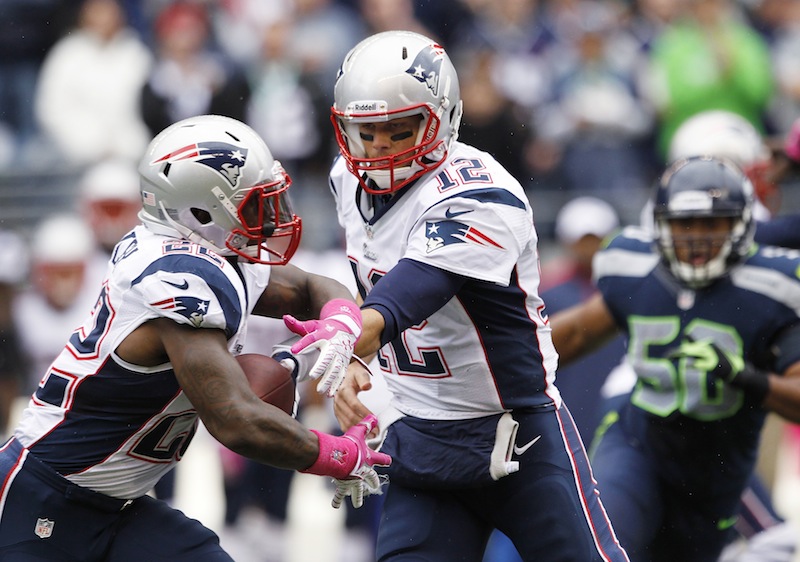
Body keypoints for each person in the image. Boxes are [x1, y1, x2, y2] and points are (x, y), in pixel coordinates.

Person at [0, 114, 391, 560]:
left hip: (118, 505)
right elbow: (236, 419)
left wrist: (340, 322)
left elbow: (308, 288)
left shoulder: (206, 249)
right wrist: (337, 455)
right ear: (201, 211)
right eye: (253, 203)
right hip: (44, 497)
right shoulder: (179, 277)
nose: (271, 217)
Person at [327, 30, 629, 561]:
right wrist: (346, 342)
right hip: (421, 438)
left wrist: (355, 334)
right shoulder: (346, 182)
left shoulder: (480, 193)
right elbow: (369, 287)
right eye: (365, 132)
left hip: (517, 436)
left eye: (398, 130)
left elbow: (413, 290)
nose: (377, 149)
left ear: (442, 117)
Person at [549, 155, 800, 561]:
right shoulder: (637, 270)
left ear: (741, 224)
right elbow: (573, 334)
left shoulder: (773, 288)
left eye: (711, 223)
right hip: (638, 440)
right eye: (685, 224)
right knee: (602, 549)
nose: (696, 238)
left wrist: (744, 377)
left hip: (717, 465)